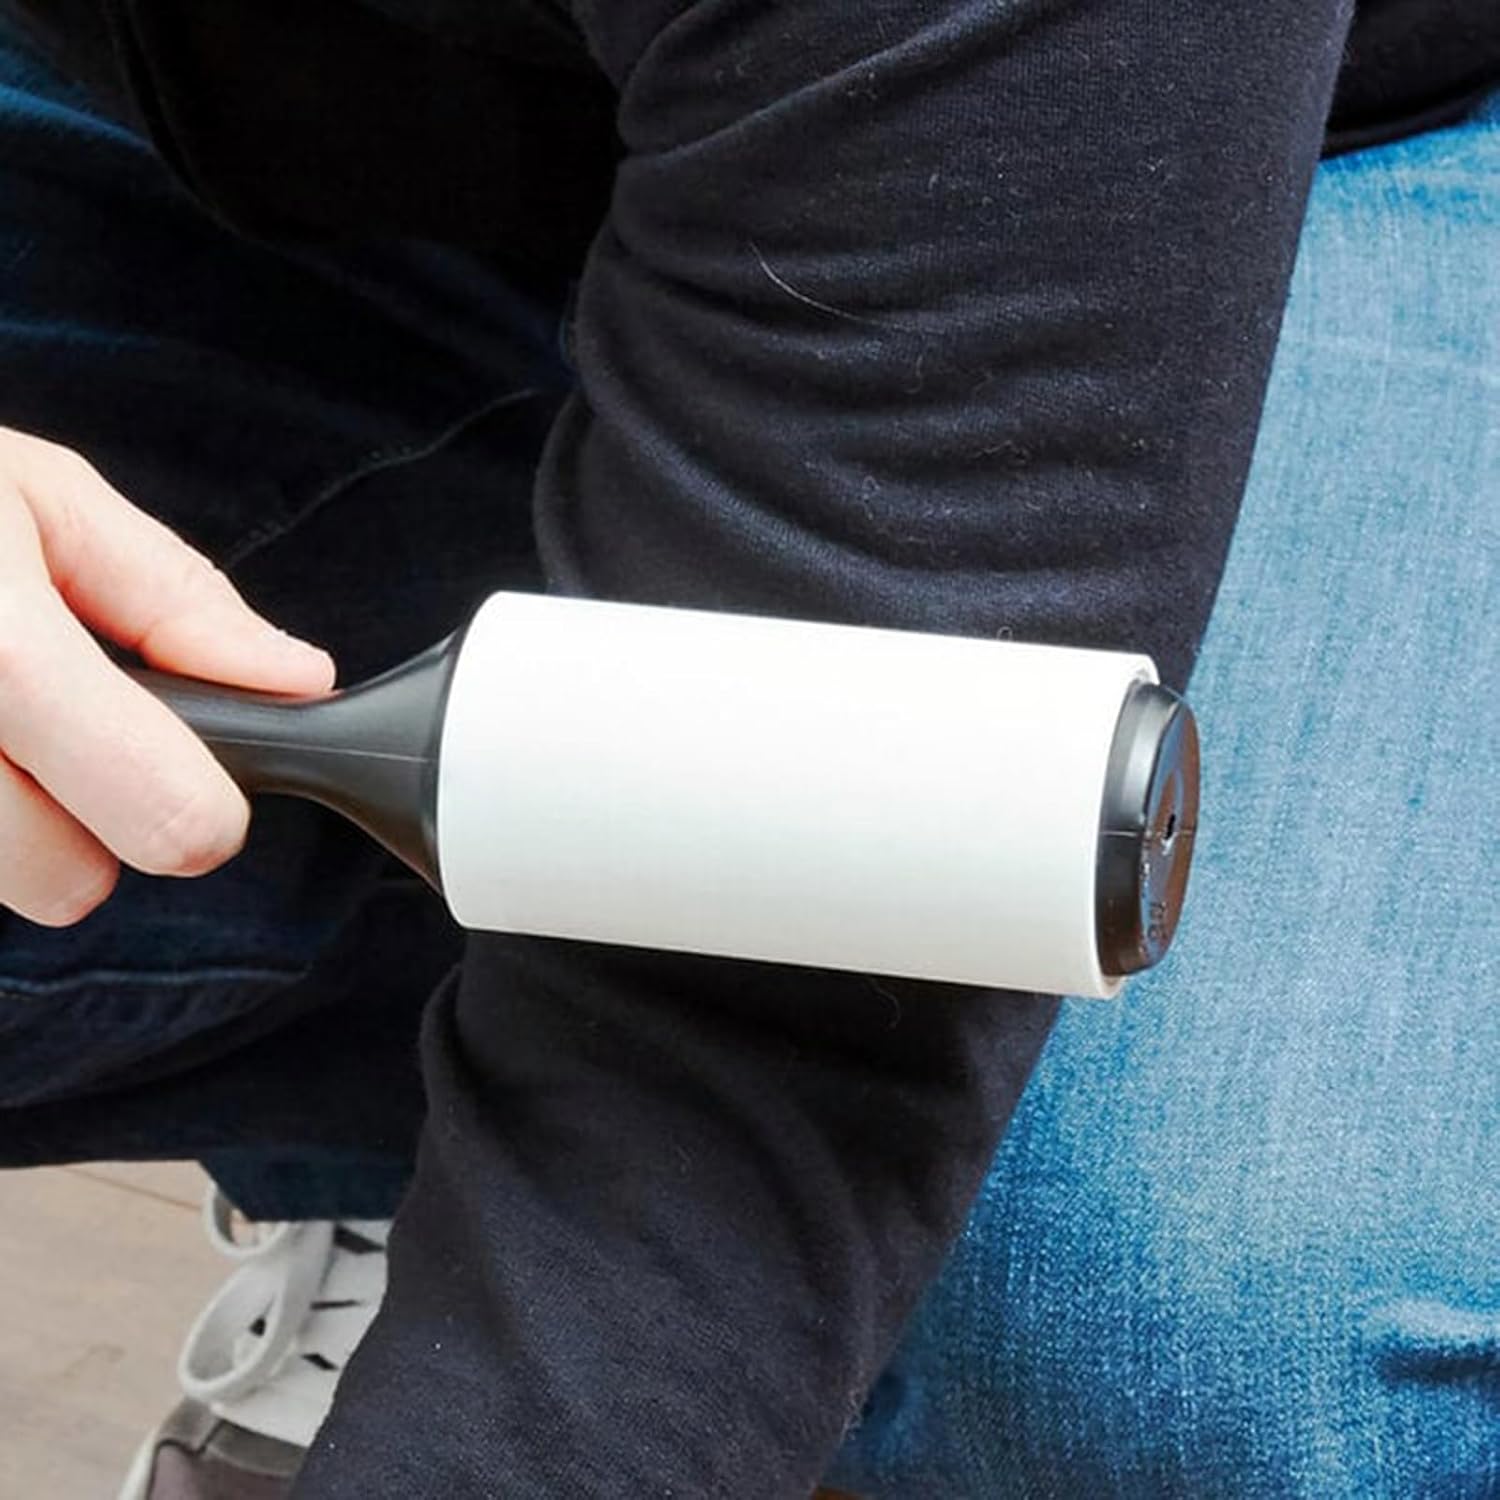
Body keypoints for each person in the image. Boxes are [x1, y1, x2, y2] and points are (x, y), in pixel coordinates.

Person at [0, 3, 1493, 1498]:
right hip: (257, 137)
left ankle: (647, 1232)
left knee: (1211, 1338)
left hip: (1255, 146)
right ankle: (461, 1148)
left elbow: (764, 1003)